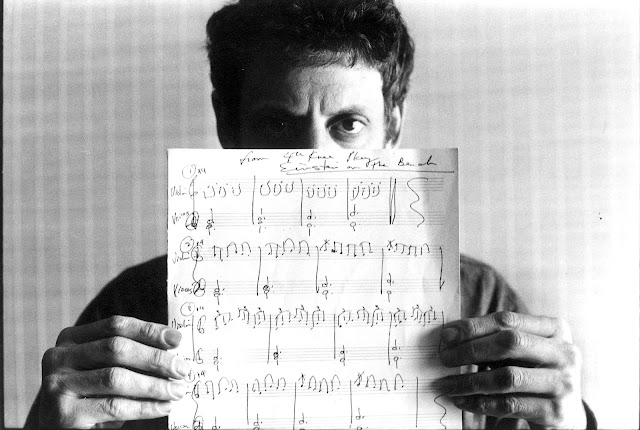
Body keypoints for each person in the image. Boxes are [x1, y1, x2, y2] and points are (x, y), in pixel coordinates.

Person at [25, 0, 596, 429]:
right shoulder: (134, 308)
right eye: (278, 124)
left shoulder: (480, 300)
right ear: (228, 127)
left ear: (392, 128)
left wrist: (570, 424)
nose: (314, 163)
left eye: (347, 125)